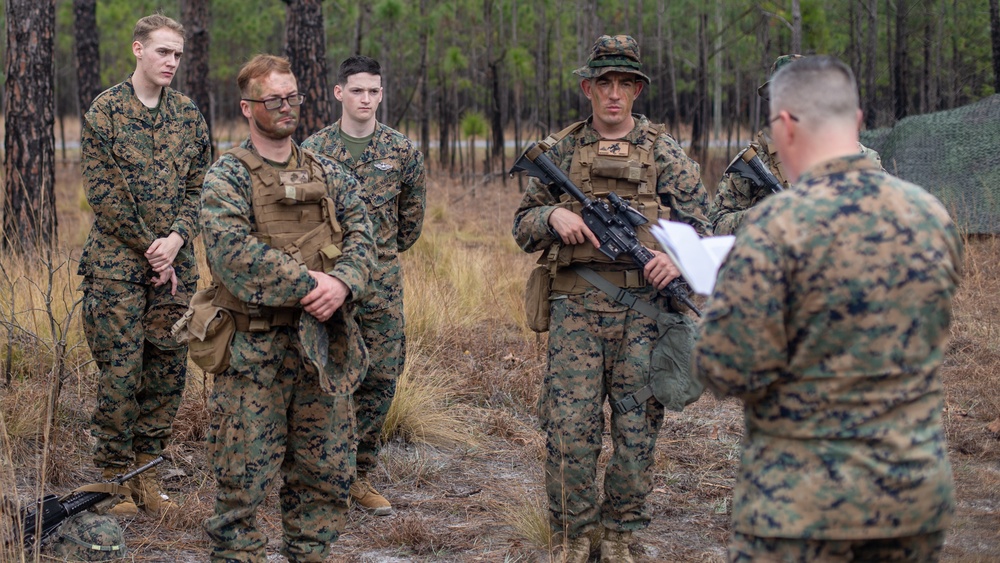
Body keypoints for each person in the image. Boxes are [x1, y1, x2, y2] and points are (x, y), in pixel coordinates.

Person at [693, 56, 960, 562]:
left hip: (800, 507)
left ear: (785, 125)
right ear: (856, 121)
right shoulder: (932, 217)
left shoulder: (774, 228)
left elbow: (726, 368)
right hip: (913, 500)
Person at [512, 35, 710, 563]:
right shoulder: (562, 151)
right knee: (570, 427)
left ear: (638, 90)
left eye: (626, 83)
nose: (615, 94)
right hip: (575, 309)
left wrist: (680, 258)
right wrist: (552, 216)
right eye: (605, 83)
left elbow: (703, 226)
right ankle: (573, 536)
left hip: (644, 315)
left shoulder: (664, 151)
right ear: (588, 88)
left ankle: (620, 534)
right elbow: (522, 225)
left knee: (636, 427)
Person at [200, 54, 374, 562]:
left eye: (293, 97)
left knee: (325, 477)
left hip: (323, 349)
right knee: (242, 482)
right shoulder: (227, 176)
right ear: (247, 106)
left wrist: (343, 283)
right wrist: (309, 283)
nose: (286, 107)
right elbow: (233, 255)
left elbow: (366, 236)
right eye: (273, 99)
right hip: (255, 354)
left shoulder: (329, 173)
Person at [78, 13, 211, 516]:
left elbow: (200, 186)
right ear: (138, 50)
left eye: (177, 53)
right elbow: (104, 192)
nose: (171, 61)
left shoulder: (188, 116)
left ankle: (145, 476)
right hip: (117, 267)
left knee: (167, 371)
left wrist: (176, 240)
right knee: (121, 371)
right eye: (162, 51)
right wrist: (150, 246)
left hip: (177, 266)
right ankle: (112, 480)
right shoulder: (106, 111)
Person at [302, 55, 425, 516]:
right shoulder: (313, 151)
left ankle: (359, 474)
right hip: (326, 282)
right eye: (357, 91)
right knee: (324, 376)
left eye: (374, 91)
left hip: (380, 286)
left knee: (380, 375)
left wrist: (377, 257)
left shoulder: (401, 151)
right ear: (339, 93)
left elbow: (409, 225)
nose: (367, 99)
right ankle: (319, 472)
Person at [709, 54, 883, 235]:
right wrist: (766, 214)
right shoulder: (754, 160)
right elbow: (715, 225)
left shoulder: (861, 158)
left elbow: (887, 220)